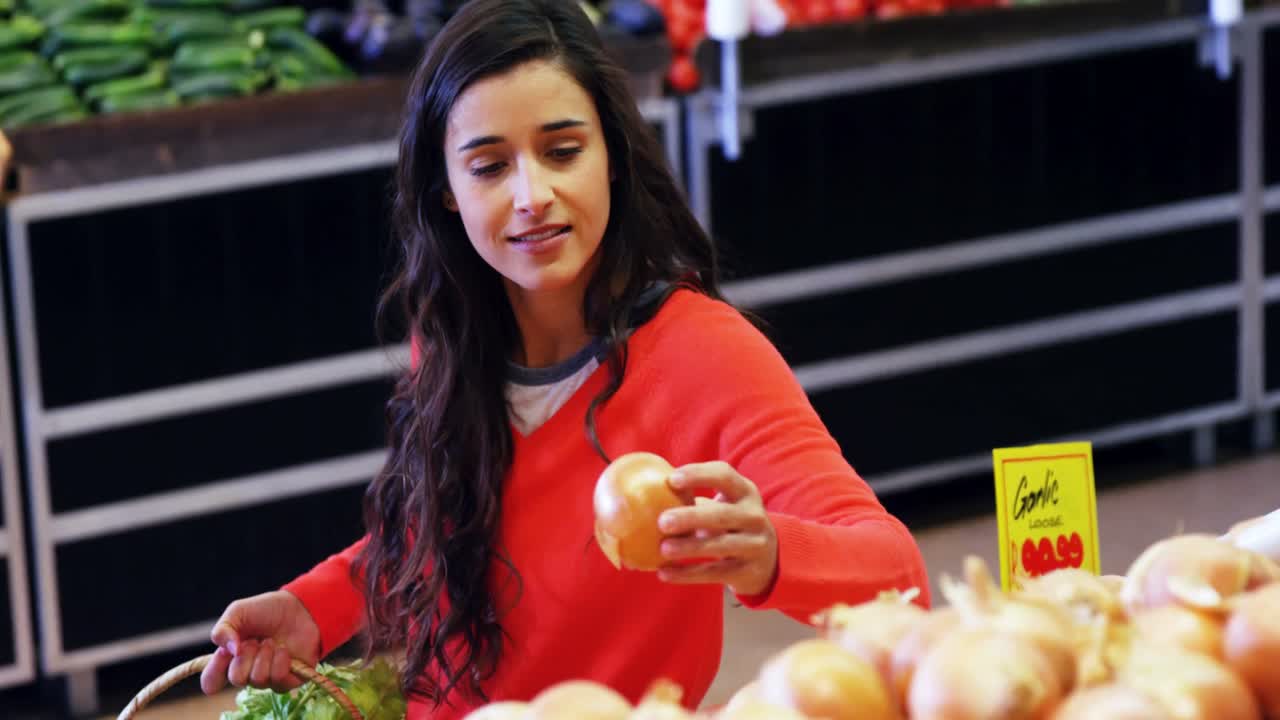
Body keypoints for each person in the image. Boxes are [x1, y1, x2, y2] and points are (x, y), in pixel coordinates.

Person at [199, 0, 930, 715]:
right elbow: (451, 527)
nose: (532, 196)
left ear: (612, 156)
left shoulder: (706, 354)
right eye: (488, 166)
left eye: (563, 151)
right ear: (447, 192)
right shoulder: (452, 339)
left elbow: (898, 578)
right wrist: (314, 606)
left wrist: (773, 553)